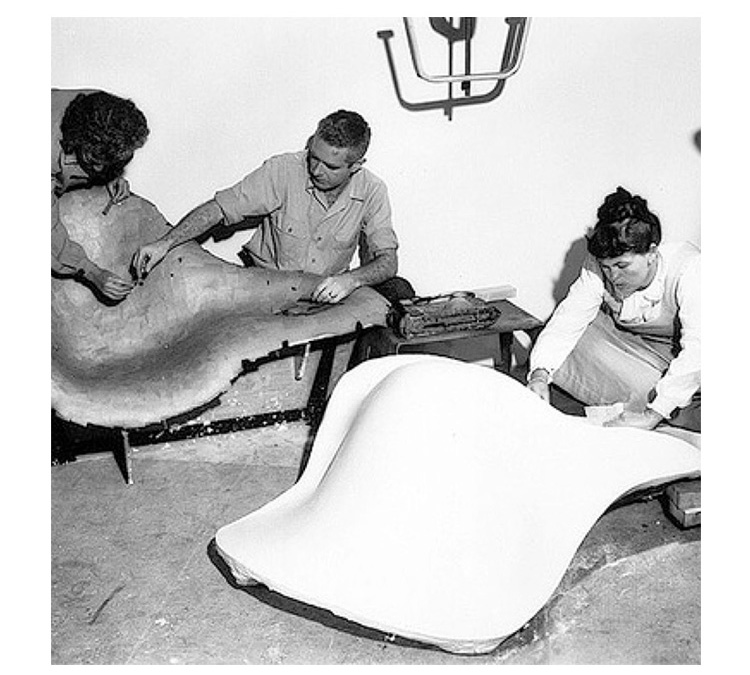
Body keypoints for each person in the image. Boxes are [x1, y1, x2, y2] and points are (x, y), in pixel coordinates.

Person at [132, 110, 412, 304]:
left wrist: (350, 281)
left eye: (330, 166)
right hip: (267, 289)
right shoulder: (283, 169)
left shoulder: (373, 190)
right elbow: (219, 208)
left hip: (325, 296)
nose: (316, 170)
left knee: (399, 290)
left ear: (356, 166)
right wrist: (164, 243)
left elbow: (388, 261)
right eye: (314, 157)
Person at [526, 187, 700, 432]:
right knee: (567, 339)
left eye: (622, 266)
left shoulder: (690, 267)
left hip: (688, 352)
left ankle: (668, 406)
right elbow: (569, 319)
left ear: (651, 253)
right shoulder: (599, 264)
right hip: (634, 348)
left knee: (660, 395)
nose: (613, 276)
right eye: (607, 268)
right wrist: (540, 375)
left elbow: (699, 348)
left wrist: (652, 415)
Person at [52, 88, 149, 301]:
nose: (99, 170)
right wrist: (92, 272)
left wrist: (111, 174)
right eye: (95, 163)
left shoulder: (103, 110)